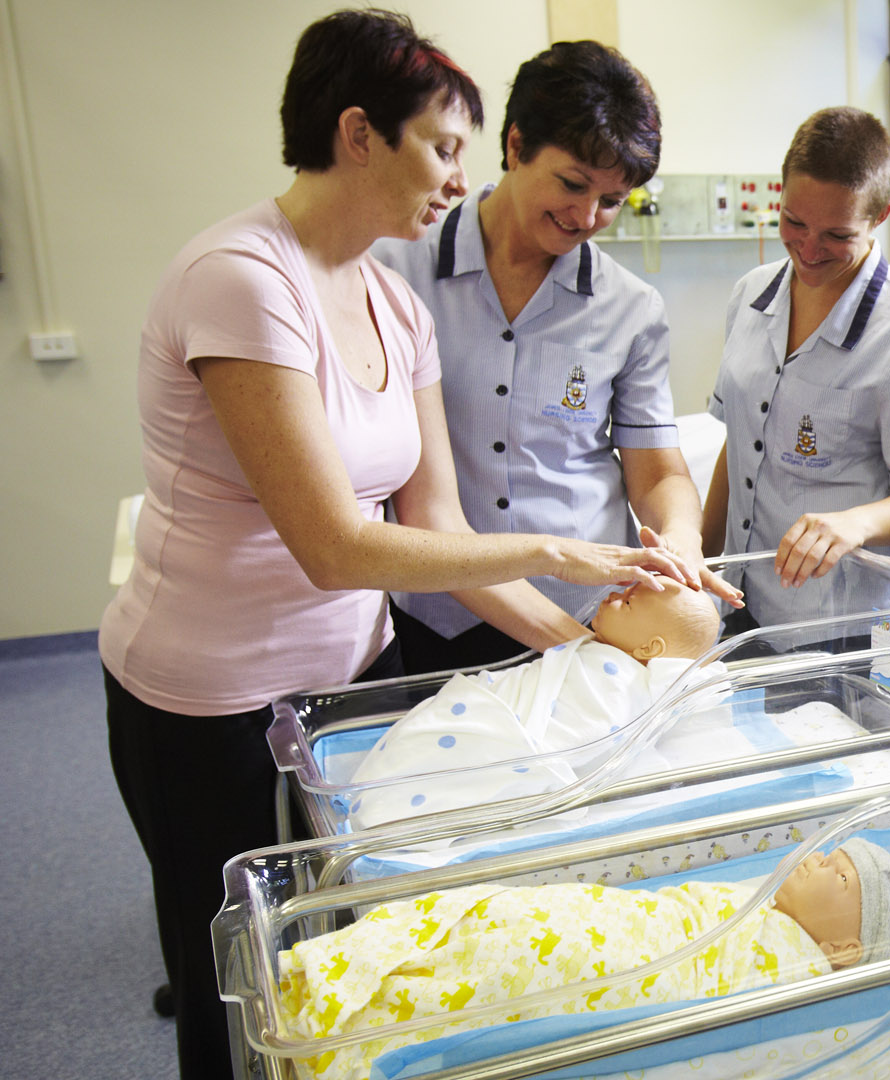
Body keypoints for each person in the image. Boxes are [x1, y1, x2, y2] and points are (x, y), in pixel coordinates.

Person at [95, 12, 689, 1078]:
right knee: (234, 984)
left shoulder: (387, 300)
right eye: (443, 147)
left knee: (346, 961)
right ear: (360, 134)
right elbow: (336, 545)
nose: (456, 179)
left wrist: (582, 651)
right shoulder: (243, 278)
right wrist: (578, 556)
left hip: (344, 684)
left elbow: (439, 526)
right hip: (212, 700)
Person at [374, 40, 739, 675]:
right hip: (436, 614)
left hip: (589, 615)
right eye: (572, 185)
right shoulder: (393, 271)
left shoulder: (630, 309)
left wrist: (679, 544)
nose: (587, 216)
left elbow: (655, 472)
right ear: (516, 146)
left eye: (612, 200)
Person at [275, 838, 890, 1080]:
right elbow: (660, 914)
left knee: (509, 962)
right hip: (607, 925)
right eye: (833, 852)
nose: (820, 859)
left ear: (845, 948)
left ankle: (364, 1009)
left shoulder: (798, 975)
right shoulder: (754, 903)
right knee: (504, 917)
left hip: (608, 970)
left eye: (841, 876)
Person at [701, 107, 890, 629]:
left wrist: (855, 524)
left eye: (837, 235)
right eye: (794, 222)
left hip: (846, 623)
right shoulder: (750, 296)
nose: (808, 248)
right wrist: (700, 560)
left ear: (880, 216)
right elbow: (740, 445)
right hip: (743, 603)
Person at [345, 575, 725, 829]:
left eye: (626, 603)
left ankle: (390, 808)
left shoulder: (619, 685)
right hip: (489, 701)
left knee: (447, 751)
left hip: (504, 732)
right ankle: (388, 789)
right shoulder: (598, 656)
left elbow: (583, 739)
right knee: (431, 731)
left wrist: (539, 769)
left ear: (649, 648)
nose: (612, 595)